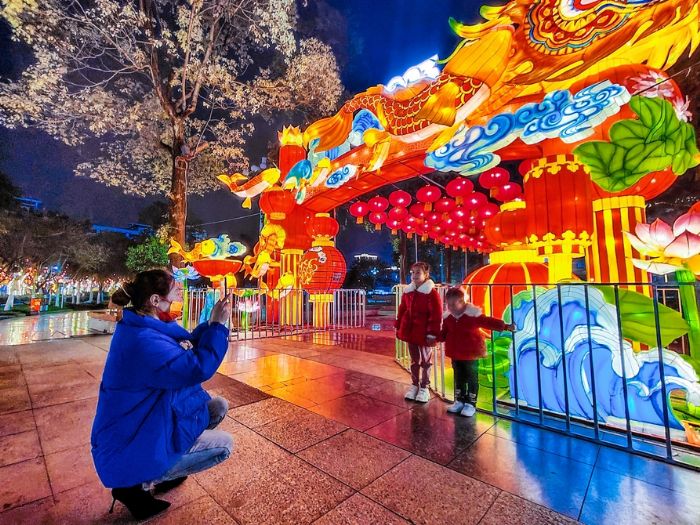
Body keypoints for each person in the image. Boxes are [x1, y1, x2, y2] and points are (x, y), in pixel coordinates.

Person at [91, 269, 233, 520]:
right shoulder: (143, 341)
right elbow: (196, 367)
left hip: (147, 421)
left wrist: (212, 324)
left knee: (217, 406)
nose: (179, 295)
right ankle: (137, 483)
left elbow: (186, 344)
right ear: (155, 300)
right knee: (224, 446)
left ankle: (165, 470)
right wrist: (219, 328)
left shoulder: (146, 326)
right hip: (132, 444)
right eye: (174, 291)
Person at [440, 287, 515, 417]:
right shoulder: (448, 318)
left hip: (471, 353)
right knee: (459, 377)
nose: (450, 307)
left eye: (454, 304)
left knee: (471, 377)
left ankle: (471, 403)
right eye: (448, 304)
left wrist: (506, 326)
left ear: (462, 302)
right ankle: (459, 400)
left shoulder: (473, 315)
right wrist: (433, 337)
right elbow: (444, 333)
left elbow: (488, 321)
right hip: (455, 353)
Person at [396, 262, 442, 403]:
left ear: (426, 275)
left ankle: (425, 387)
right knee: (414, 360)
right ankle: (414, 385)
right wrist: (399, 324)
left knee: (426, 361)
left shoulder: (431, 293)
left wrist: (432, 333)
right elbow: (402, 308)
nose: (414, 275)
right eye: (412, 272)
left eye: (417, 272)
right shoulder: (408, 292)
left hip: (425, 333)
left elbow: (436, 314)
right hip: (411, 331)